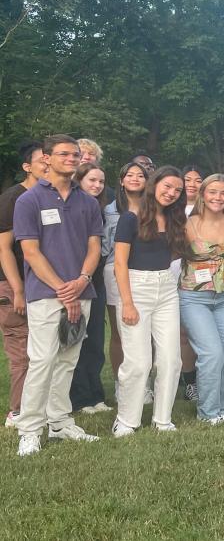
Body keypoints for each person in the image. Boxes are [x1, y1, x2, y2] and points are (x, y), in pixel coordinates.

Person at [13, 134, 104, 456]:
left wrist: (80, 281)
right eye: (64, 154)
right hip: (45, 294)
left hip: (83, 290)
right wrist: (63, 290)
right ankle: (30, 429)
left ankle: (61, 422)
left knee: (68, 359)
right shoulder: (29, 201)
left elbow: (95, 246)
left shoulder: (88, 202)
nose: (71, 159)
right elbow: (31, 252)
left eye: (75, 154)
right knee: (43, 361)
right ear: (47, 159)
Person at [111, 167, 187, 437]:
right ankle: (126, 420)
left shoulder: (174, 219)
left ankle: (162, 419)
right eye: (167, 186)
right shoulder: (130, 218)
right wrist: (128, 303)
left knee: (171, 358)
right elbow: (119, 263)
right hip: (136, 288)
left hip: (167, 290)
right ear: (154, 185)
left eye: (177, 190)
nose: (171, 193)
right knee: (138, 362)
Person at [179, 174, 224, 424]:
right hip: (195, 297)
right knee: (211, 354)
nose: (218, 197)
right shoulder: (188, 224)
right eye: (213, 192)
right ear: (203, 195)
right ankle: (207, 412)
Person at [0, 141, 48, 428]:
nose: (48, 163)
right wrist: (17, 289)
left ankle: (41, 408)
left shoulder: (50, 196)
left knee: (42, 351)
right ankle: (17, 412)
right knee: (22, 350)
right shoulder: (13, 198)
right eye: (42, 159)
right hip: (14, 285)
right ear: (27, 166)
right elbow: (4, 248)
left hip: (43, 285)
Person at [102, 161, 149, 404]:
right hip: (115, 270)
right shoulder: (110, 210)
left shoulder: (154, 207)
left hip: (147, 271)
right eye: (129, 174)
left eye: (140, 175)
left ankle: (145, 383)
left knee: (147, 330)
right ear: (121, 180)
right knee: (121, 332)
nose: (134, 178)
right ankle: (123, 384)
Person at [69, 162, 111, 414]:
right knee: (75, 339)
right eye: (91, 180)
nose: (96, 185)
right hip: (75, 279)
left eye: (101, 182)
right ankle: (79, 398)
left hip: (96, 280)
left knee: (95, 339)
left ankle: (96, 395)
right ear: (79, 180)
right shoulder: (71, 208)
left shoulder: (100, 209)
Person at [178, 165, 204, 401]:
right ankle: (187, 379)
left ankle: (201, 378)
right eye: (188, 180)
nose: (192, 184)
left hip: (200, 275)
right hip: (173, 270)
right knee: (181, 333)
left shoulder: (206, 209)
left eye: (198, 180)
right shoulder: (171, 207)